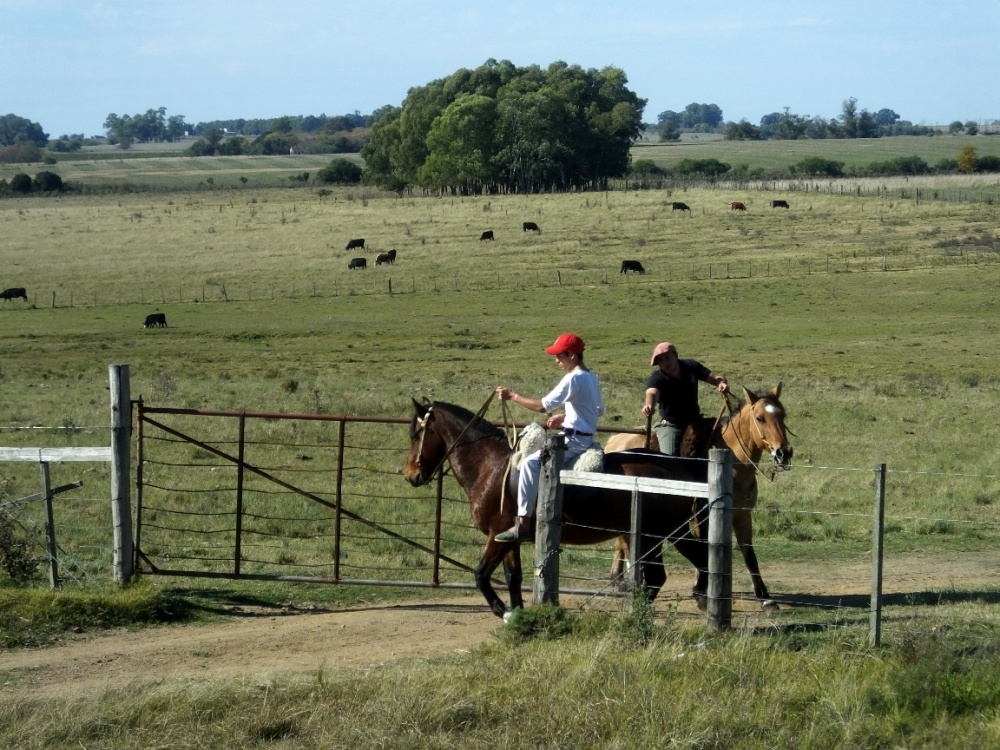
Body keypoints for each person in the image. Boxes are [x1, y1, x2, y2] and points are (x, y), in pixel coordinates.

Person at [494, 333, 605, 543]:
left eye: (559, 356)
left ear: (571, 355)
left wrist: (513, 396)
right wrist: (567, 417)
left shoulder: (573, 378)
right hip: (584, 437)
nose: (557, 361)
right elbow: (598, 410)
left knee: (529, 464)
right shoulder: (591, 377)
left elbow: (542, 406)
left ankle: (523, 524)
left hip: (573, 442)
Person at [641, 341, 728, 456]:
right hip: (671, 425)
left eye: (667, 357)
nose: (665, 363)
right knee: (670, 458)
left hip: (696, 421)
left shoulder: (690, 366)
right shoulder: (657, 378)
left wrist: (721, 383)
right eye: (660, 361)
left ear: (675, 355)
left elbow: (714, 378)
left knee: (722, 435)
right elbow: (652, 393)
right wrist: (649, 405)